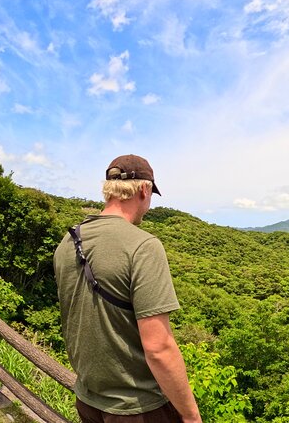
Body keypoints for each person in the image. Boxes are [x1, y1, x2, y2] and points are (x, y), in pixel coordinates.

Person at [54, 154, 201, 423]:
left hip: (88, 398)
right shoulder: (143, 246)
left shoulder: (68, 240)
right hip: (138, 408)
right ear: (144, 190)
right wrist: (191, 416)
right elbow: (158, 347)